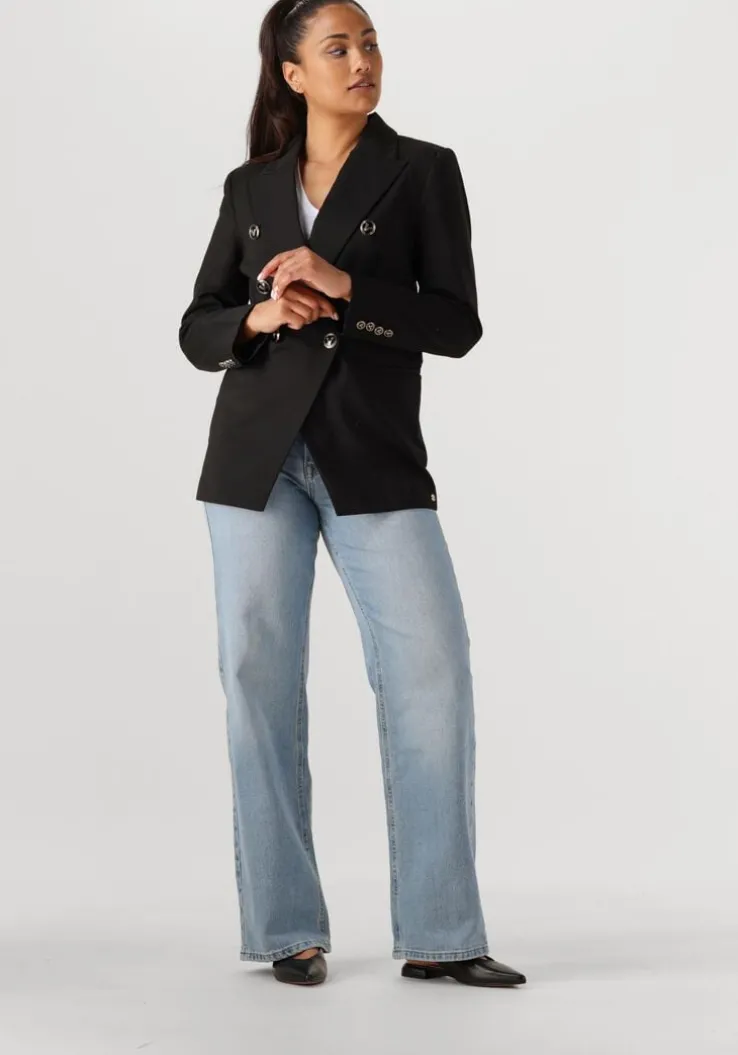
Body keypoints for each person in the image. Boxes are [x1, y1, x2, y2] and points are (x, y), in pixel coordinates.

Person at [178, 0, 527, 990]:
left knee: (432, 673)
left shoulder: (422, 170)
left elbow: (455, 324)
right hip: (255, 461)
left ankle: (443, 933)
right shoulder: (251, 185)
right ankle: (285, 927)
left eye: (369, 42)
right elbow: (199, 326)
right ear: (293, 73)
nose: (362, 59)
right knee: (258, 680)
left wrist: (345, 285)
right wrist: (257, 316)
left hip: (372, 455)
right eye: (338, 46)